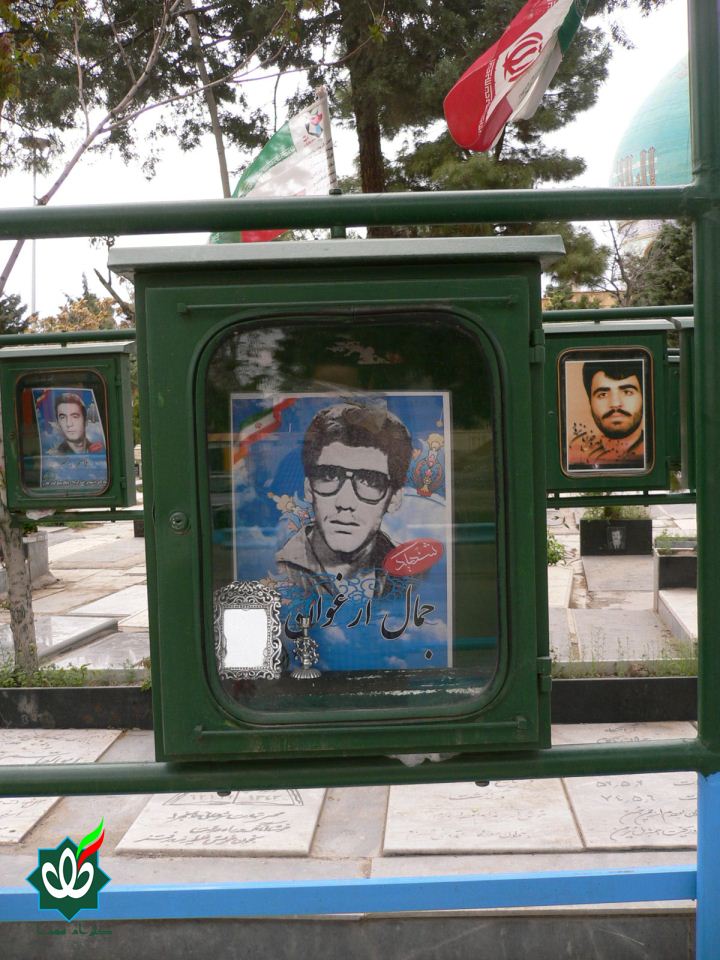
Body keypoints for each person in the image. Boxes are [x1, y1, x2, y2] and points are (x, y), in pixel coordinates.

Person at [275, 402, 412, 596]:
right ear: (308, 488)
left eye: (369, 481)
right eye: (329, 476)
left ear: (394, 498)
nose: (345, 503)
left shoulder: (410, 577)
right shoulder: (276, 575)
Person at [568, 359, 646, 469]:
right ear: (590, 402)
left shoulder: (653, 450)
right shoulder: (575, 455)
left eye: (627, 392)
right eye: (603, 394)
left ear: (644, 398)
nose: (615, 404)